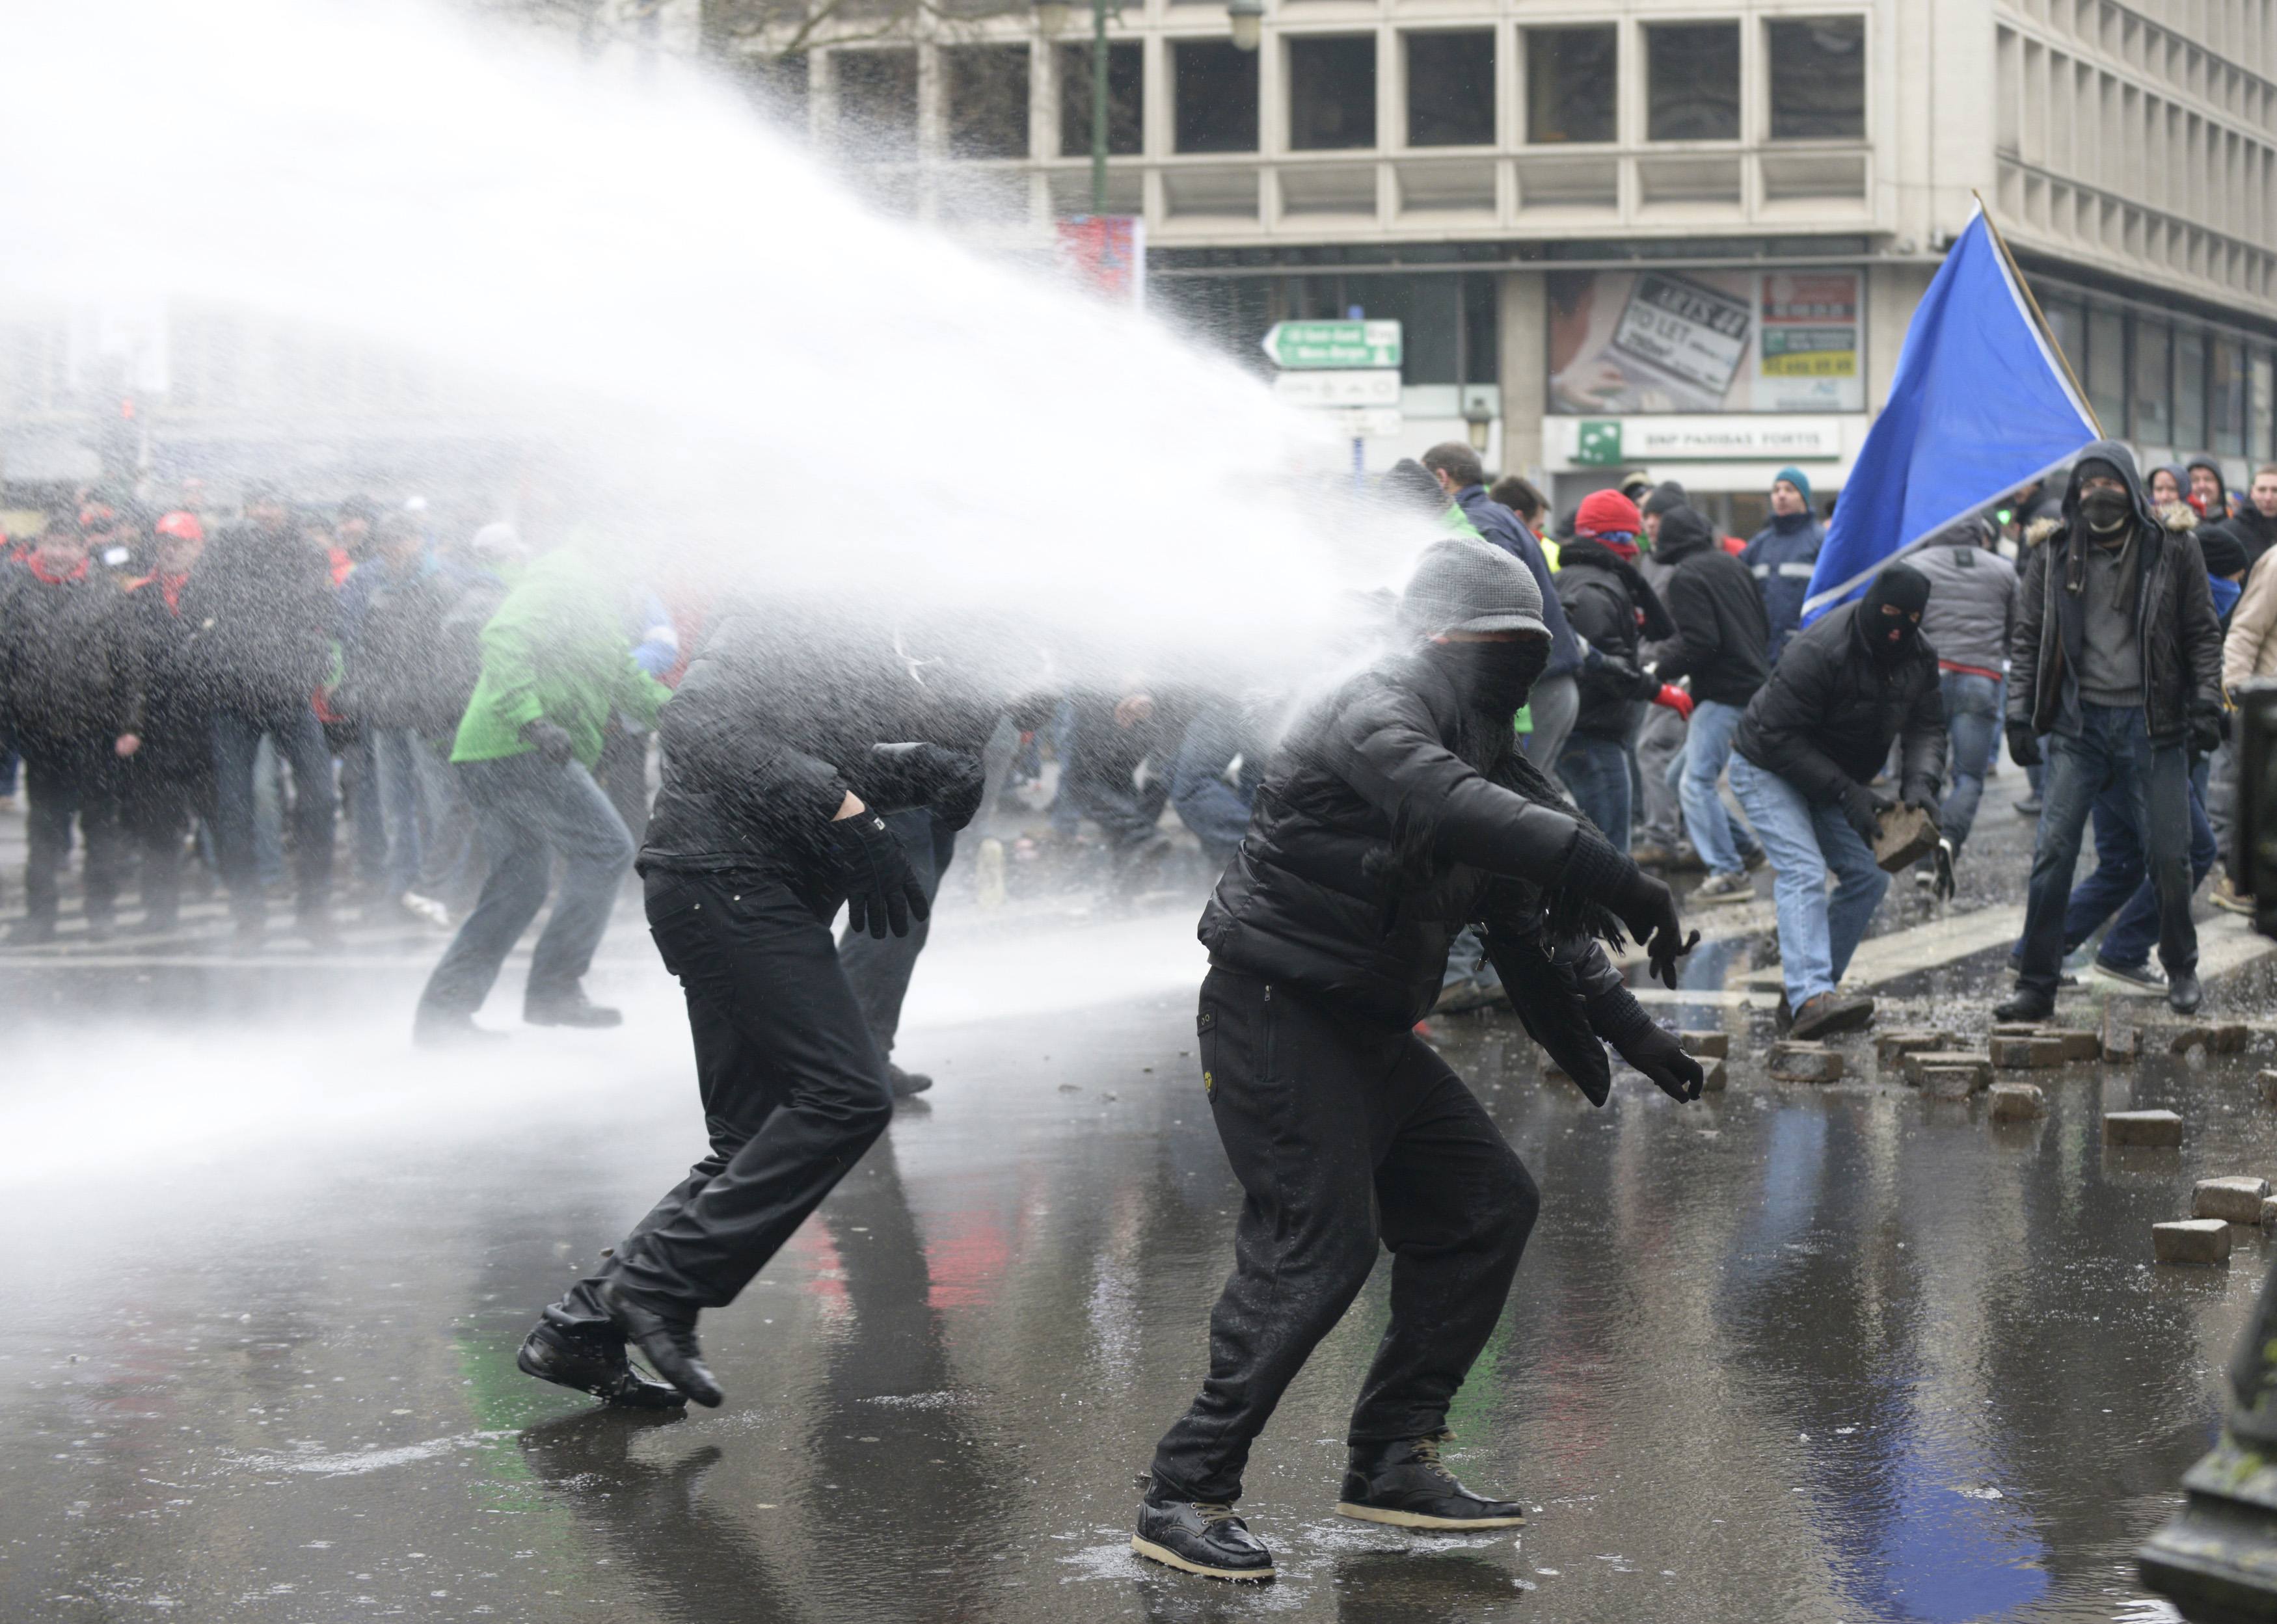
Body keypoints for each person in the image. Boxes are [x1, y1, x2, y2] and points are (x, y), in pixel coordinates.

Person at [1135, 539, 1701, 1582]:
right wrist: (1620, 873)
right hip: (1277, 1012)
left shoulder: (1483, 741)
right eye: (1502, 649)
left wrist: (1639, 1036)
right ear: (1444, 635)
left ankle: (1393, 1456)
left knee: (1488, 1205)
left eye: (1527, 654)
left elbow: (1538, 922)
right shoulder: (1373, 699)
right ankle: (1186, 1486)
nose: (1516, 676)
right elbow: (1445, 804)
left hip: (1367, 1029)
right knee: (1320, 1246)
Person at [513, 600, 993, 1412]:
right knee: (847, 1095)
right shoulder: (786, 601)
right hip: (723, 881)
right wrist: (846, 808)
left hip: (740, 886)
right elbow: (699, 727)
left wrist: (946, 758)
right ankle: (660, 1287)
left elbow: (820, 747)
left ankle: (583, 1325)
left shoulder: (869, 626)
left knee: (744, 1141)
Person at [412, 524, 671, 1044]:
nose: (643, 574)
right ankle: (554, 987)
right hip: (520, 745)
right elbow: (502, 635)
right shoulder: (565, 576)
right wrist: (531, 719)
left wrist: (693, 717)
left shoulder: (597, 596)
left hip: (496, 749)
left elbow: (622, 676)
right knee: (606, 848)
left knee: (522, 882)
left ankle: (444, 1015)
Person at [1995, 444, 2226, 1021]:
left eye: (2112, 487)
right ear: (2075, 494)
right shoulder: (2051, 553)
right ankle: (2037, 982)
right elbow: (2027, 639)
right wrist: (2018, 715)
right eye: (2089, 487)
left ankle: (2180, 966)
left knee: (2172, 857)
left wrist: (2203, 703)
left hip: (2154, 727)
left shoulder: (2175, 548)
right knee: (2053, 854)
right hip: (2079, 727)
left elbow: (2201, 632)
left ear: (2133, 489)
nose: (2100, 498)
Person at [1729, 565, 1946, 1038]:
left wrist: (1921, 785)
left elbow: (1927, 726)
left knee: (1869, 878)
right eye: (1889, 612)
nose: (1897, 626)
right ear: (1872, 604)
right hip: (1766, 763)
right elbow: (1777, 733)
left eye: (1910, 617)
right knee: (1803, 868)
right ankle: (1812, 996)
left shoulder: (1918, 656)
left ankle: (1805, 996)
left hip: (1830, 775)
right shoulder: (1822, 646)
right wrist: (1848, 792)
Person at [178, 481, 342, 950]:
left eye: (274, 503)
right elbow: (194, 604)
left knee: (320, 799)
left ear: (288, 508)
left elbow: (324, 614)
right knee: (234, 806)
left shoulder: (306, 552)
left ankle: (314, 909)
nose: (265, 513)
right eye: (258, 504)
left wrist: (306, 662)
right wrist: (222, 647)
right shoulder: (227, 545)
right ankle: (247, 917)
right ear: (246, 508)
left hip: (289, 693)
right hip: (233, 693)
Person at [0, 503, 133, 943]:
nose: (60, 552)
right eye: (53, 543)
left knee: (100, 825)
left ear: (81, 549)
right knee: (45, 828)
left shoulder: (106, 594)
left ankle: (101, 913)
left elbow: (131, 668)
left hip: (95, 729)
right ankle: (40, 918)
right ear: (41, 545)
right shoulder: (15, 592)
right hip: (40, 730)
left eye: (69, 544)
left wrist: (132, 723)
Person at [1421, 443, 1583, 775]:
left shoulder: (1474, 525)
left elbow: (1499, 610)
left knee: (1519, 806)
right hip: (1552, 685)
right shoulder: (1501, 515)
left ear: (1441, 477)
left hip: (1534, 693)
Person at [1649, 503, 1771, 904]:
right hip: (1752, 684)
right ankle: (1747, 851)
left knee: (1695, 782)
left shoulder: (1686, 576)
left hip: (1724, 691)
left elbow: (1701, 641)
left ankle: (1728, 872)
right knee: (1678, 777)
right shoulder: (1734, 565)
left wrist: (1658, 668)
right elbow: (1762, 624)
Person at [1552, 488, 1678, 852]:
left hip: (1582, 728)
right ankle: (1601, 912)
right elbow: (1603, 666)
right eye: (1630, 537)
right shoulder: (1597, 588)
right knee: (1609, 851)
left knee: (1598, 844)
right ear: (1612, 539)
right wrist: (1654, 688)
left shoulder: (1576, 578)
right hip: (1593, 733)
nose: (1637, 550)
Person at [117, 512, 217, 935]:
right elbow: (125, 666)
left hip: (209, 727)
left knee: (227, 821)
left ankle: (247, 909)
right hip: (156, 729)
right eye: (164, 542)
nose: (170, 549)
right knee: (159, 829)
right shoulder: (137, 597)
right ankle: (160, 914)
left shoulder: (216, 594)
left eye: (180, 542)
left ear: (199, 547)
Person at [1906, 516, 2017, 889]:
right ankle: (1949, 839)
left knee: (1924, 775)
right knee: (1969, 776)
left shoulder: (1915, 566)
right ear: (1981, 534)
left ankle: (1921, 862)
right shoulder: (2003, 570)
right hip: (1980, 681)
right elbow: (2017, 631)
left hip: (1926, 682)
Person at [1743, 467, 1824, 663]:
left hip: (1807, 650)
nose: (1781, 495)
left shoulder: (1822, 541)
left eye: (1789, 489)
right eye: (1776, 490)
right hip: (1763, 651)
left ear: (1803, 497)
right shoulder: (1759, 544)